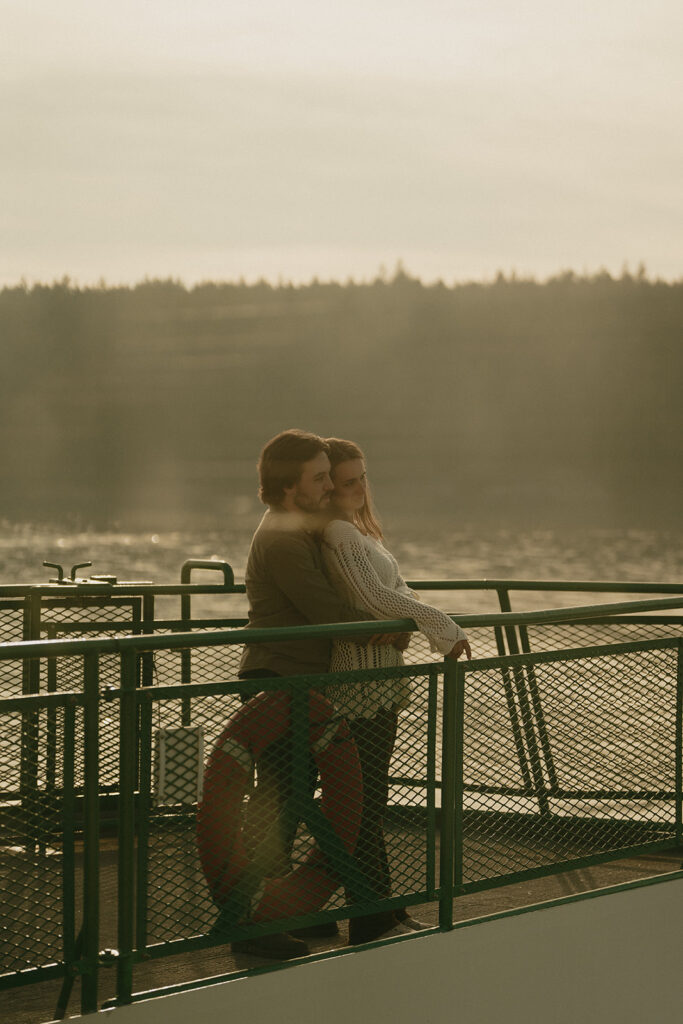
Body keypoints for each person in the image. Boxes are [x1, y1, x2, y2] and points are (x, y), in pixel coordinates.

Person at [234, 429, 407, 960]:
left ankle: (309, 912)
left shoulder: (298, 528)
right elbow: (325, 613)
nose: (329, 485)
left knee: (304, 799)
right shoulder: (282, 538)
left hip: (303, 685)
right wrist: (394, 625)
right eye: (320, 477)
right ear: (290, 485)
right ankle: (253, 924)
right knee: (281, 804)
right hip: (279, 682)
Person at [320, 437, 471, 945]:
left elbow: (398, 594)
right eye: (348, 480)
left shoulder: (360, 533)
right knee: (363, 803)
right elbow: (374, 596)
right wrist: (440, 626)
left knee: (370, 800)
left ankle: (381, 908)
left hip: (383, 675)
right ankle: (370, 915)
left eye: (363, 477)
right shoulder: (338, 532)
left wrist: (406, 619)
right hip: (359, 681)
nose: (360, 487)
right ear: (328, 487)